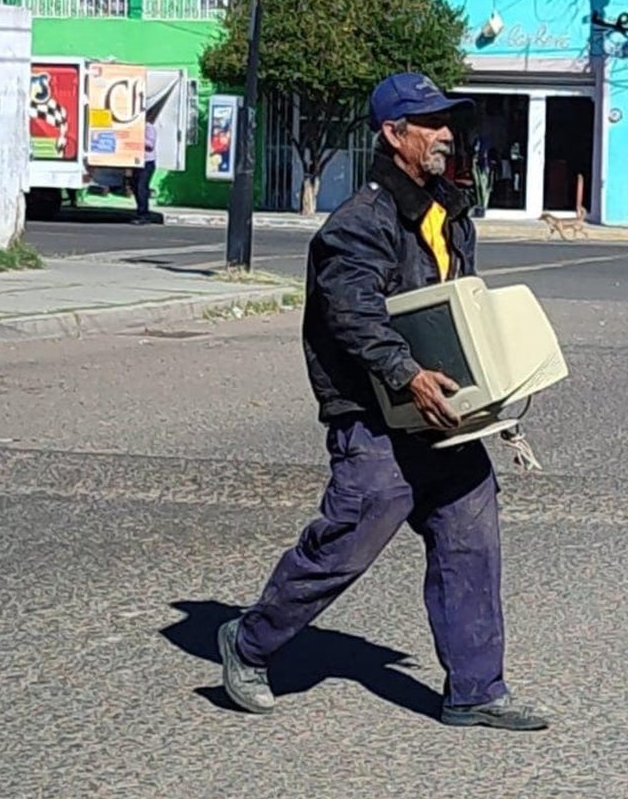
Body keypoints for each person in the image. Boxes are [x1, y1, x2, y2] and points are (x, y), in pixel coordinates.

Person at [218, 72, 549, 732]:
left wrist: (499, 382)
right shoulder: (359, 224)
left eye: (448, 122)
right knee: (356, 529)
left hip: (439, 413)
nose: (447, 135)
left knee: (470, 527)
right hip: (374, 412)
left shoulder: (447, 212)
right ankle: (249, 643)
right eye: (431, 123)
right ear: (394, 134)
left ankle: (476, 689)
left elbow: (455, 308)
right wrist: (407, 375)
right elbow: (353, 314)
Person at [131, 121, 157, 225]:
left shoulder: (149, 127)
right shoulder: (136, 127)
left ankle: (144, 215)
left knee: (141, 188)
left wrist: (138, 137)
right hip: (137, 162)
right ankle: (140, 212)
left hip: (147, 162)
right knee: (136, 187)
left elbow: (150, 145)